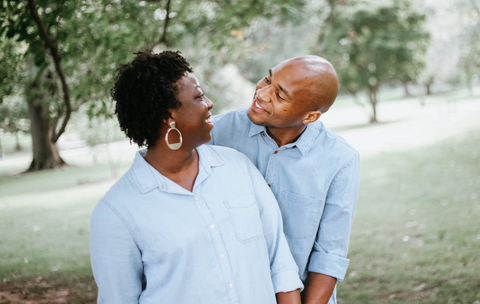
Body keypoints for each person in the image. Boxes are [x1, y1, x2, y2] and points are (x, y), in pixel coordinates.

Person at [89, 50, 303, 304]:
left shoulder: (238, 167)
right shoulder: (116, 212)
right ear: (169, 117)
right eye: (199, 96)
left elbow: (281, 266)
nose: (209, 103)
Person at [210, 55, 360, 304]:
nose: (262, 93)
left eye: (280, 96)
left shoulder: (340, 161)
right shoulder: (216, 135)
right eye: (268, 79)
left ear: (310, 117)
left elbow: (329, 256)